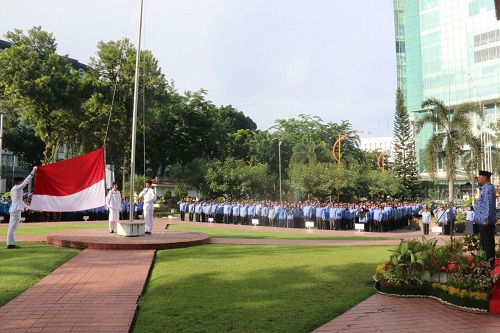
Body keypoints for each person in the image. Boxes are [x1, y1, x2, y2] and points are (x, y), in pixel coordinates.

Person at [7, 167, 37, 249]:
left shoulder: (16, 189)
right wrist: (32, 172)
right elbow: (26, 182)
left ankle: (11, 243)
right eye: (21, 181)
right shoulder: (17, 188)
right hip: (15, 210)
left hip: (16, 209)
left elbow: (20, 201)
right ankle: (10, 244)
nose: (22, 182)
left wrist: (28, 207)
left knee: (13, 228)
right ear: (19, 182)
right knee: (12, 228)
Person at [473, 170, 497, 270]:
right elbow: (481, 187)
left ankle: (490, 263)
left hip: (485, 221)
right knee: (485, 242)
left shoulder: (488, 189)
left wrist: (486, 219)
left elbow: (488, 205)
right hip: (482, 220)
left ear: (485, 178)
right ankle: (488, 261)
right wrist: (478, 183)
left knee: (487, 243)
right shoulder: (486, 188)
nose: (478, 178)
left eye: (480, 177)